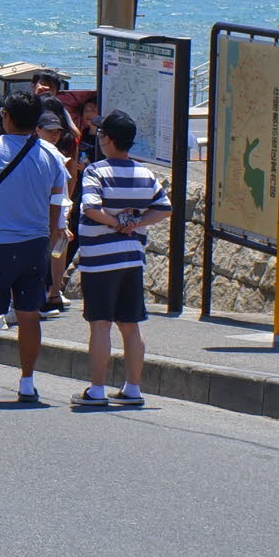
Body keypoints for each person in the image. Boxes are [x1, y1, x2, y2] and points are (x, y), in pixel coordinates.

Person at [0, 91, 65, 406]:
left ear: (6, 116)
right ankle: (28, 384)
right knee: (29, 315)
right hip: (35, 244)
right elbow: (56, 202)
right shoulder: (50, 155)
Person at [72, 110, 172, 409]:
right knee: (130, 324)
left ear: (109, 140)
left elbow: (90, 207)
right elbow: (164, 208)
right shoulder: (144, 172)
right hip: (131, 257)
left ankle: (98, 389)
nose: (98, 137)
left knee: (100, 323)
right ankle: (133, 388)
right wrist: (135, 224)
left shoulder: (95, 171)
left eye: (101, 134)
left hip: (100, 258)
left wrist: (115, 224)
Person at [38, 109, 77, 314]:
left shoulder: (52, 154)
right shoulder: (52, 154)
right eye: (49, 130)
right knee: (54, 255)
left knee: (53, 255)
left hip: (53, 217)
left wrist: (61, 221)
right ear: (38, 130)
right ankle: (52, 295)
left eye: (57, 131)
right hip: (54, 216)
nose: (54, 135)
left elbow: (60, 193)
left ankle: (51, 295)